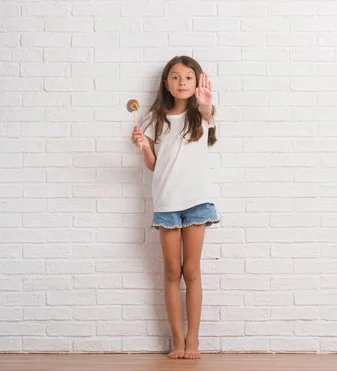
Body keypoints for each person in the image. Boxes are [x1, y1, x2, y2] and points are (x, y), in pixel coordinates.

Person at [131, 55, 219, 360]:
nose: (182, 83)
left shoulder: (202, 116)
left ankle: (192, 340)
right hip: (167, 203)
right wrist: (144, 147)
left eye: (188, 78)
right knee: (171, 271)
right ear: (166, 83)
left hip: (196, 202)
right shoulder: (156, 119)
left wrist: (206, 104)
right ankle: (176, 339)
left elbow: (208, 115)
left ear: (196, 83)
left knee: (191, 270)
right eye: (175, 77)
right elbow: (154, 166)